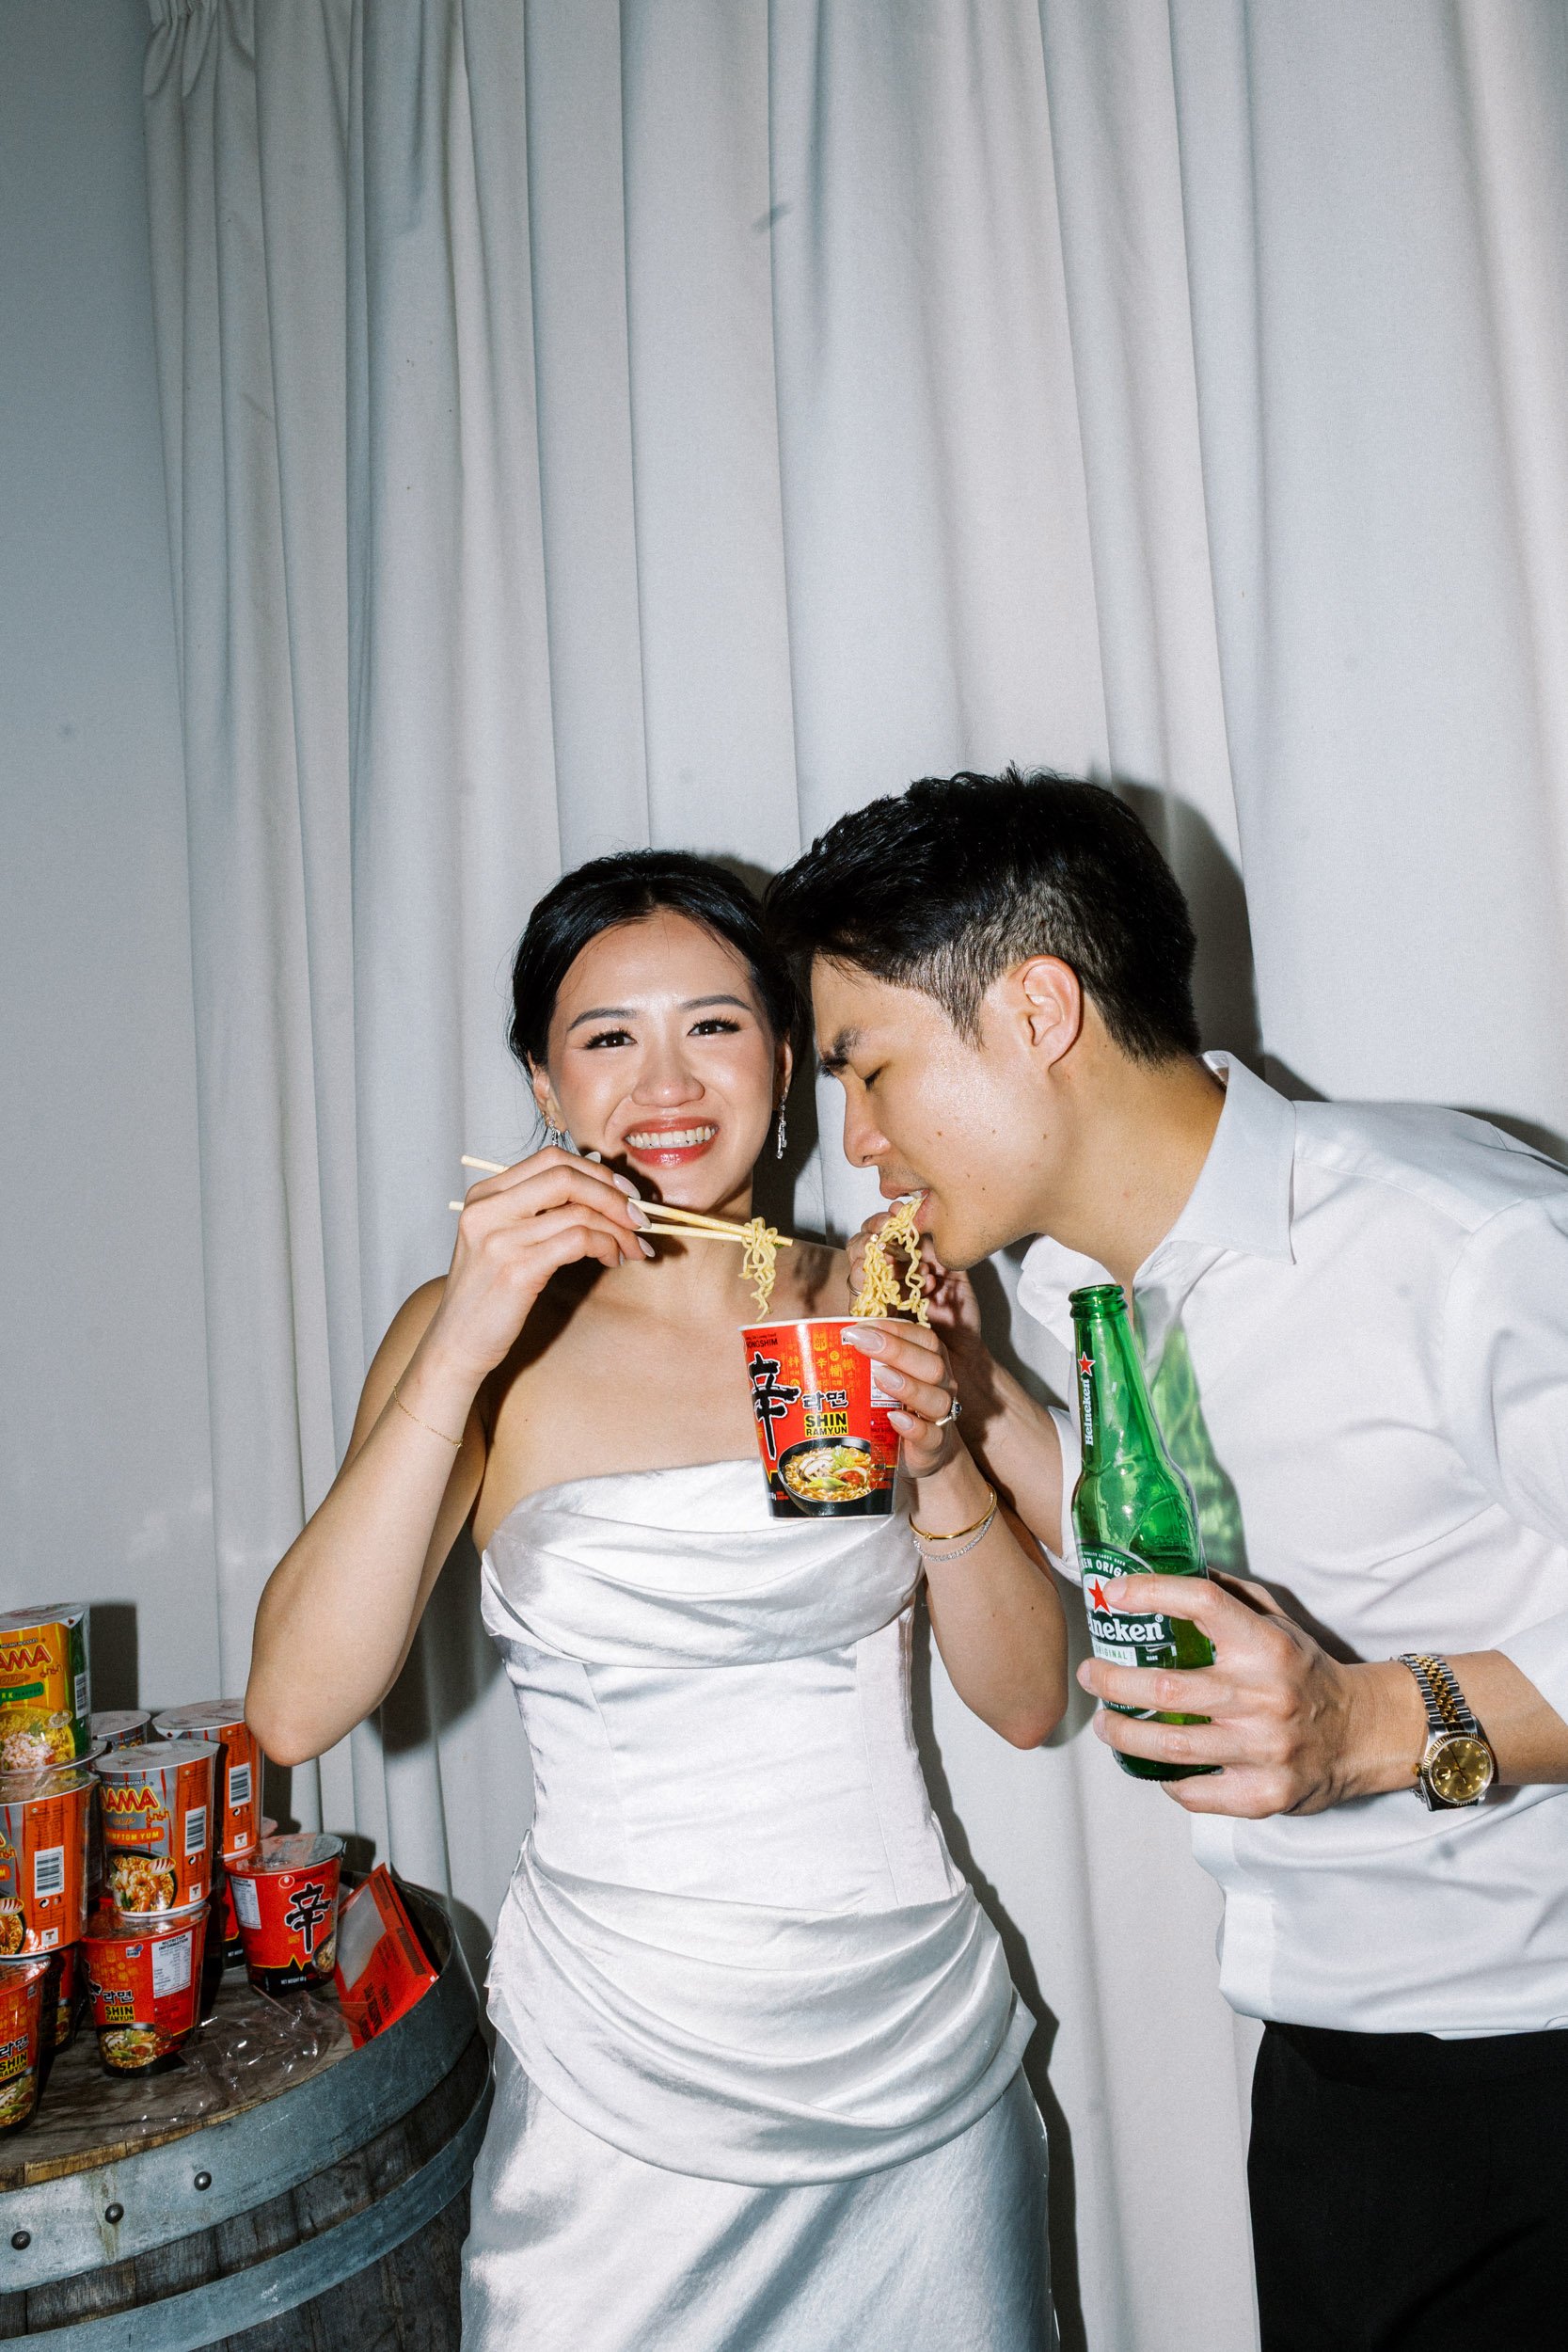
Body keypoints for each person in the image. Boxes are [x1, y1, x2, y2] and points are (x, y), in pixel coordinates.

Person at [766, 770, 1568, 2352]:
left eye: (869, 1068)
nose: (855, 1143)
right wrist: (971, 1401)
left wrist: (1364, 1726)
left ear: (1038, 1009)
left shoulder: (1457, 1239)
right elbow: (1157, 1551)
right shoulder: (1082, 1283)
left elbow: (1337, 1714)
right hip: (1330, 2080)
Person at [245, 850, 1065, 2352]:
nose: (667, 1084)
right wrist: (461, 1341)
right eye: (609, 1037)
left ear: (785, 1061)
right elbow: (295, 1707)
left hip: (913, 2070)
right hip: (615, 2089)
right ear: (544, 1083)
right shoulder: (481, 1333)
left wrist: (947, 1452)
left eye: (717, 1026)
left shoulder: (871, 1296)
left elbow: (1026, 1703)